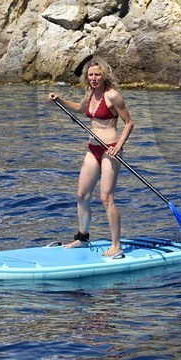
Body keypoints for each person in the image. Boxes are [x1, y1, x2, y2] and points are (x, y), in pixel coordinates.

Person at [48, 60, 133, 258]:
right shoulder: (90, 92)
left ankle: (116, 245)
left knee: (106, 197)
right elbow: (79, 108)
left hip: (110, 149)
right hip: (93, 148)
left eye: (97, 75)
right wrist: (60, 100)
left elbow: (129, 123)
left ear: (104, 76)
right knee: (82, 194)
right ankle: (82, 238)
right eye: (90, 75)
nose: (93, 78)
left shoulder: (112, 95)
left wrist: (119, 146)